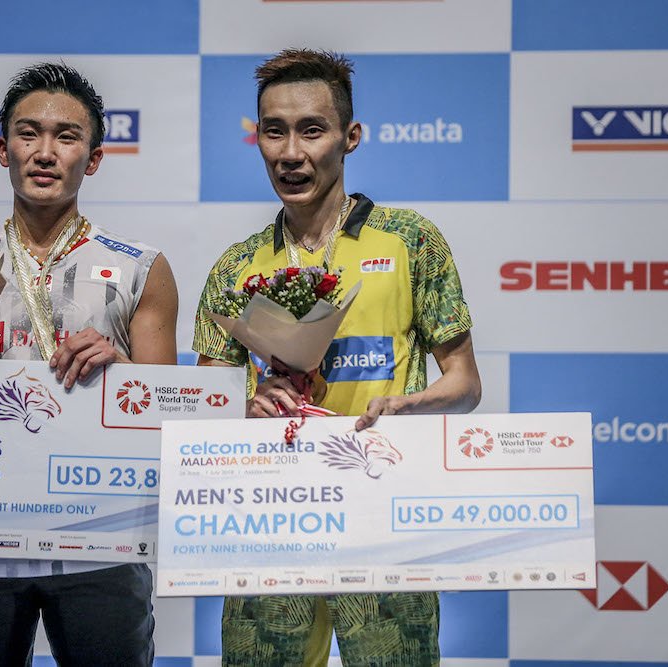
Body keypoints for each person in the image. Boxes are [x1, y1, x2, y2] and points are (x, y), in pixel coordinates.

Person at [193, 49, 481, 666]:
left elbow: (465, 384)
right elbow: (203, 409)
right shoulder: (235, 266)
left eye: (312, 130)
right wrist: (244, 408)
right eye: (274, 131)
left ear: (350, 137)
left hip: (383, 518)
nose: (290, 152)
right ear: (259, 139)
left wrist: (413, 403)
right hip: (265, 526)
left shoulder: (410, 241)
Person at [0, 62, 178, 667]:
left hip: (102, 542)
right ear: (1, 149)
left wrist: (123, 367)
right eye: (28, 133)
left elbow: (170, 407)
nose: (44, 152)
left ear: (92, 159)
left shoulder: (142, 266)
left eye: (66, 137)